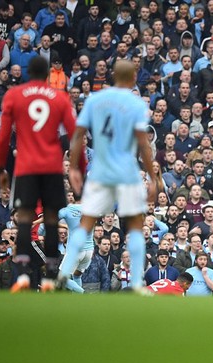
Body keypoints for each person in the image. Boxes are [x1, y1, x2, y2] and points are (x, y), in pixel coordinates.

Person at [58, 60, 156, 294]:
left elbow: (77, 135)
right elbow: (143, 142)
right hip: (126, 170)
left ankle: (63, 272)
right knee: (134, 225)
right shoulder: (135, 103)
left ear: (112, 76)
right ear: (133, 78)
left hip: (100, 170)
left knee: (86, 223)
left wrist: (73, 168)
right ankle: (135, 285)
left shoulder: (94, 99)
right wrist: (153, 175)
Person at [0, 56, 77, 292]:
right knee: (52, 221)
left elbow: (3, 137)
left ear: (27, 73)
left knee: (23, 219)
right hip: (52, 167)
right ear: (48, 76)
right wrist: (77, 168)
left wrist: (1, 167)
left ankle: (21, 274)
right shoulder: (60, 97)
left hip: (26, 166)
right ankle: (51, 276)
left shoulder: (13, 95)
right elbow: (75, 135)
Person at [58, 193, 94, 293]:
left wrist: (36, 222)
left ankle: (83, 293)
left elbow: (51, 218)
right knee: (77, 276)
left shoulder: (68, 210)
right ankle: (80, 301)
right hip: (89, 251)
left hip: (76, 251)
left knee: (62, 279)